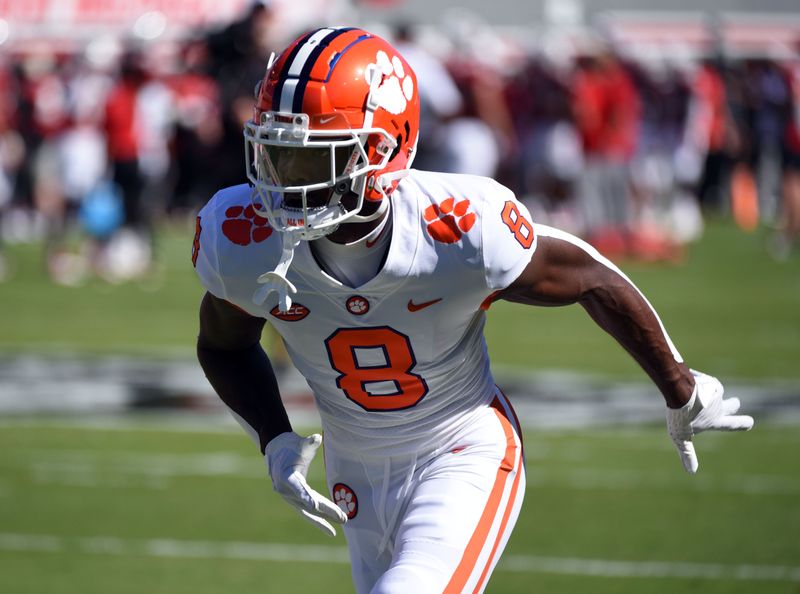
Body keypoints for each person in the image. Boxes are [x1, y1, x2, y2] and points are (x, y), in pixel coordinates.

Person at [193, 27, 753, 594]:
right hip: (353, 469)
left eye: (309, 161)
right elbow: (223, 343)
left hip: (461, 449)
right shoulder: (242, 237)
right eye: (277, 154)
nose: (283, 184)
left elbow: (591, 277)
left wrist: (679, 384)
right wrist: (275, 437)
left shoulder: (458, 227)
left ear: (382, 150)